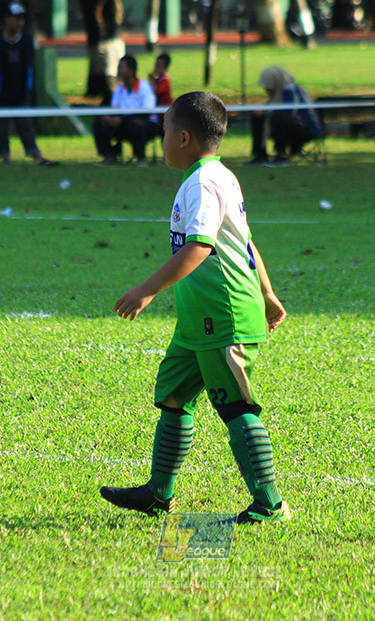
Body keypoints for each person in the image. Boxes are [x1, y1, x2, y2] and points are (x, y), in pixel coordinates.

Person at [101, 91, 291, 525]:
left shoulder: (204, 183)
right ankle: (157, 493)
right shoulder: (217, 175)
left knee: (235, 407)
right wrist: (267, 291)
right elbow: (244, 241)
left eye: (165, 129)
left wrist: (147, 290)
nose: (161, 135)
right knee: (173, 396)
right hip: (196, 321)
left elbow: (202, 247)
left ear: (183, 137)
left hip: (219, 314)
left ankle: (270, 504)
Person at [0, 1, 57, 167]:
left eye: (22, 18)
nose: (19, 22)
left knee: (25, 124)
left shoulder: (27, 40)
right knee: (1, 126)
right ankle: (5, 157)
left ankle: (34, 154)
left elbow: (30, 63)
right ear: (7, 19)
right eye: (16, 18)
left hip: (20, 91)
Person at [246, 66, 322, 167]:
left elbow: (289, 111)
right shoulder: (279, 92)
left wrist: (266, 111)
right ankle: (260, 154)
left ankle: (281, 155)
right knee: (257, 117)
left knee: (278, 118)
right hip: (290, 127)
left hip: (306, 130)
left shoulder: (290, 90)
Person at [92, 55, 160, 166]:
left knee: (135, 124)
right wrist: (109, 118)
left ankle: (141, 157)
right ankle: (108, 156)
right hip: (124, 123)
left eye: (122, 67)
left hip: (146, 124)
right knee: (99, 122)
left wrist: (122, 120)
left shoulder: (144, 87)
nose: (119, 71)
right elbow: (115, 108)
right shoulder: (119, 89)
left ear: (131, 70)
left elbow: (146, 111)